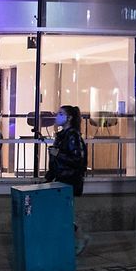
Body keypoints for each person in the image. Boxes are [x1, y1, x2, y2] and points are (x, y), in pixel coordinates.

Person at [46, 105, 90, 255]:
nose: (57, 116)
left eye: (60, 114)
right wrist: (48, 177)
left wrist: (58, 154)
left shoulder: (72, 136)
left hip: (69, 179)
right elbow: (56, 161)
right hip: (61, 177)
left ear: (69, 118)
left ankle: (79, 237)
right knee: (59, 212)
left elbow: (78, 159)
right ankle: (75, 238)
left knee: (61, 212)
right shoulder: (62, 135)